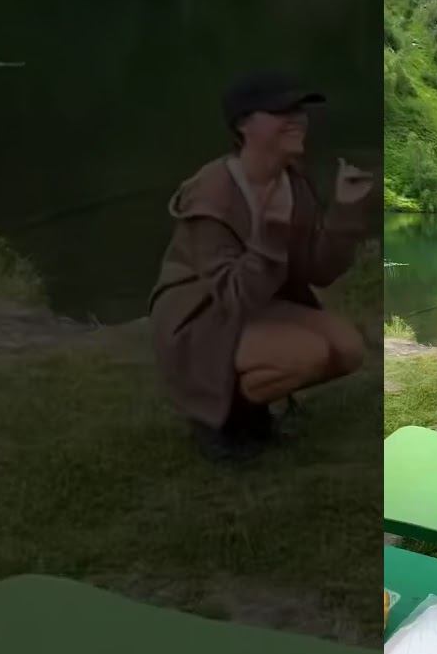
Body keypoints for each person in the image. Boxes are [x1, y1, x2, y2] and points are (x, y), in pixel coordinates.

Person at [149, 71, 374, 462]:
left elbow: (318, 271)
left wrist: (345, 212)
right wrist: (270, 235)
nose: (297, 120)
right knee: (306, 354)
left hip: (258, 303)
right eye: (281, 111)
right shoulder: (210, 193)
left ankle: (247, 404)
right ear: (243, 125)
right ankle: (219, 416)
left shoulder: (293, 182)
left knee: (348, 348)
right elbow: (232, 297)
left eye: (299, 110)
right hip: (202, 316)